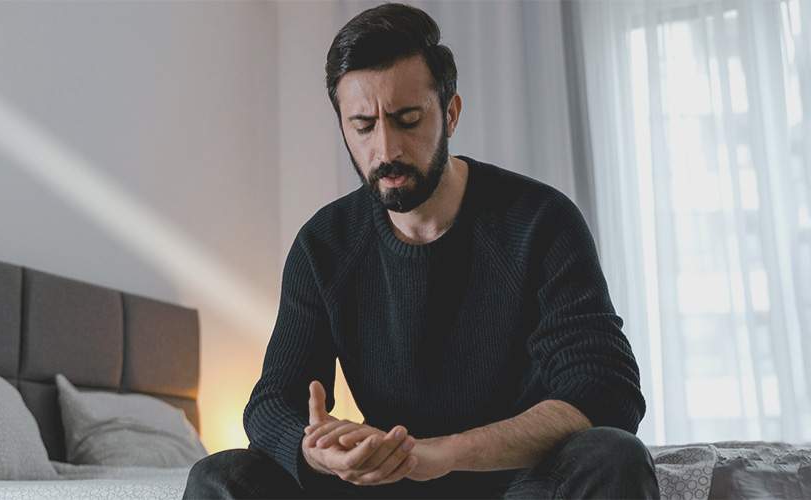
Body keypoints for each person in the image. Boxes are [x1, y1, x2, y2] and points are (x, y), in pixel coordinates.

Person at [184, 3, 659, 499]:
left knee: (611, 454)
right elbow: (271, 402)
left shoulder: (541, 221)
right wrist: (315, 450)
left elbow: (605, 386)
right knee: (220, 477)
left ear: (450, 114)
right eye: (363, 126)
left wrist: (442, 454)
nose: (386, 149)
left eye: (407, 119)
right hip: (391, 484)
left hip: (518, 482)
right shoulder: (323, 245)